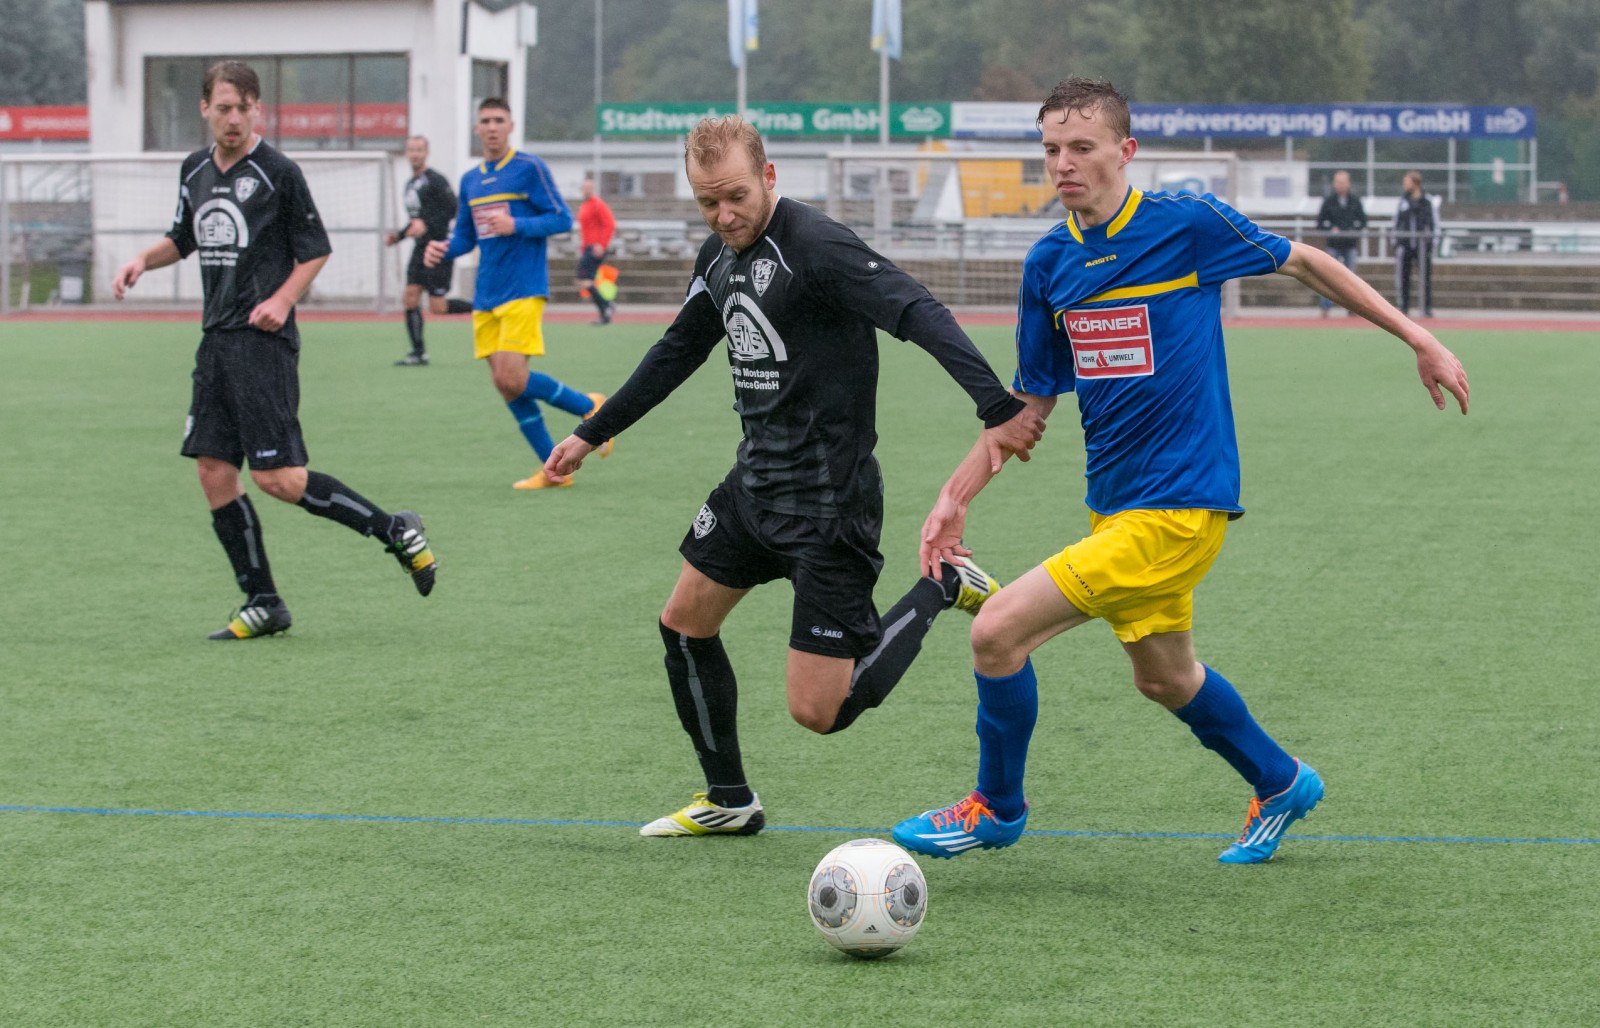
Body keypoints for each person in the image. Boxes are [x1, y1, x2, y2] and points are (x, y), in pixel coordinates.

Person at [890, 78, 1468, 866]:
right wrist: (953, 497)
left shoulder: (1186, 225)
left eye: (1082, 147)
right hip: (1115, 509)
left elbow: (1307, 263)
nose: (1064, 163)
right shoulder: (1049, 264)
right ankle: (1281, 781)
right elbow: (1028, 409)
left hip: (1182, 510)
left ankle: (996, 807)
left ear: (1125, 152)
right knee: (1165, 678)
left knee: (995, 633)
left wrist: (1418, 338)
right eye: (1052, 149)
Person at [543, 115, 1046, 838]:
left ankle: (942, 587)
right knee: (683, 625)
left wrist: (995, 407)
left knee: (820, 712)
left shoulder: (819, 247)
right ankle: (728, 800)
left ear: (770, 176)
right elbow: (675, 352)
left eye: (736, 196)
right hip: (752, 491)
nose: (724, 215)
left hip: (829, 506)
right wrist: (590, 433)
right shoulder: (716, 258)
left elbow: (915, 309)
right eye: (707, 202)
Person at [111, 60, 438, 640]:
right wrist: (142, 259)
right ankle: (263, 601)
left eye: (244, 107)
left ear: (258, 109)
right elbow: (185, 236)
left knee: (280, 479)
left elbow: (315, 249)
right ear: (204, 108)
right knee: (214, 472)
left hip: (263, 345)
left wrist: (284, 300)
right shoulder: (193, 169)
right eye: (223, 107)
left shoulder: (278, 172)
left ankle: (394, 530)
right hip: (215, 342)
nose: (233, 118)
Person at [425, 98, 613, 490]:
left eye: (499, 120)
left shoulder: (529, 168)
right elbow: (465, 236)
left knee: (513, 374)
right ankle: (554, 472)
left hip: (524, 288)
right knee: (505, 383)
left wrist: (516, 223)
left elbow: (561, 218)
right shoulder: (470, 180)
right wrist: (444, 248)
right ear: (476, 129)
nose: (492, 127)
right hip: (487, 294)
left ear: (511, 126)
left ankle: (590, 408)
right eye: (485, 121)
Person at [386, 134, 472, 366]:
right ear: (407, 153)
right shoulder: (410, 184)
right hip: (419, 249)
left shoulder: (436, 180)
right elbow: (417, 220)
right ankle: (418, 352)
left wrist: (429, 226)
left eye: (419, 150)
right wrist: (399, 236)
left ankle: (483, 308)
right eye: (411, 150)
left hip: (438, 248)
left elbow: (453, 209)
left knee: (438, 307)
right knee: (410, 296)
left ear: (426, 153)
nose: (415, 154)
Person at [1314, 169, 1367, 317]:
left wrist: (1352, 229)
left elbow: (1362, 221)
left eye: (1342, 182)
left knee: (1351, 279)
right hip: (1333, 246)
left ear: (1348, 183)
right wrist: (1331, 228)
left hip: (1350, 246)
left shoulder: (1355, 201)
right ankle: (1325, 307)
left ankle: (1353, 308)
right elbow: (1320, 223)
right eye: (1337, 182)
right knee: (1328, 277)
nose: (1339, 185)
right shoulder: (1329, 201)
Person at [574, 176, 618, 325]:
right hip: (587, 247)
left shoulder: (598, 204)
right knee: (585, 281)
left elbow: (610, 224)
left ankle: (607, 305)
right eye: (585, 188)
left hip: (595, 248)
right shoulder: (584, 206)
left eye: (589, 188)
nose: (587, 191)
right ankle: (605, 312)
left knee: (583, 279)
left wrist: (602, 245)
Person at [1393, 170, 1436, 317]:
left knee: (1425, 278)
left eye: (1407, 182)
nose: (1404, 185)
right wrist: (1397, 241)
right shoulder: (1403, 201)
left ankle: (1426, 308)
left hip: (1422, 247)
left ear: (1415, 183)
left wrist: (1432, 242)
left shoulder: (1427, 201)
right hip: (1405, 246)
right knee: (1404, 278)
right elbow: (1396, 222)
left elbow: (1434, 223)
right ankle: (1404, 308)